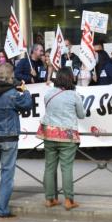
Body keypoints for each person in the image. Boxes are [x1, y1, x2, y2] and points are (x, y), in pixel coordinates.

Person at [0, 63, 33, 219]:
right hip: (9, 138)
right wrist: (25, 91)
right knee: (7, 175)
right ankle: (1, 210)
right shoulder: (13, 94)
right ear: (10, 76)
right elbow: (27, 104)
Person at [38, 67, 85, 210]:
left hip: (49, 134)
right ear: (71, 78)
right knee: (66, 168)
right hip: (67, 136)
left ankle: (49, 198)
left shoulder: (48, 94)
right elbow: (81, 115)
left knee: (49, 167)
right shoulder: (74, 95)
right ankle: (68, 200)